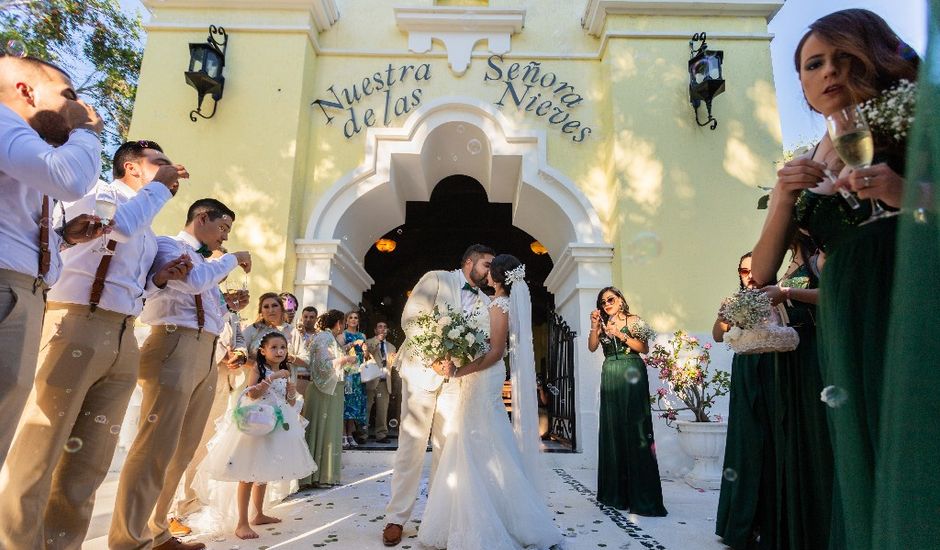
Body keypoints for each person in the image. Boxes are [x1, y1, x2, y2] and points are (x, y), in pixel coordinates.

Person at [749, 10, 918, 549]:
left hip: (910, 300)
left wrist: (904, 193)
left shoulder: (913, 121)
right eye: (813, 64)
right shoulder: (811, 157)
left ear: (873, 54)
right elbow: (761, 273)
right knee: (860, 460)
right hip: (846, 322)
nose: (829, 72)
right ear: (800, 81)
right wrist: (782, 197)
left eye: (842, 57)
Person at [0, 140, 190, 549]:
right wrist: (161, 187)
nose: (169, 167)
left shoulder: (150, 231)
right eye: (158, 161)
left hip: (123, 335)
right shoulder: (98, 193)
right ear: (131, 166)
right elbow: (117, 226)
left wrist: (159, 280)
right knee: (40, 450)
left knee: (89, 461)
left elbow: (139, 291)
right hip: (74, 324)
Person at [109, 199, 252, 550]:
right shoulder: (168, 245)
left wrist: (227, 307)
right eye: (223, 228)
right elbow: (192, 283)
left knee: (184, 449)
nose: (225, 237)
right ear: (201, 218)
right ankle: (128, 539)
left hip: (204, 352)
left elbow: (203, 301)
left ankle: (156, 530)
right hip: (173, 344)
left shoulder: (207, 263)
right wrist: (233, 259)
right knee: (154, 446)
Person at [0, 54, 106, 466]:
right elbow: (68, 178)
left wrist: (62, 238)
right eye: (67, 95)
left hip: (22, 288)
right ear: (26, 90)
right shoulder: (5, 120)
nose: (77, 105)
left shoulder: (21, 142)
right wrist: (87, 132)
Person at [419, 254, 563, 549]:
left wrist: (460, 370)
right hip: (480, 374)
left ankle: (485, 519)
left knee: (477, 439)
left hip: (483, 375)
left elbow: (496, 351)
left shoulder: (499, 305)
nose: (486, 273)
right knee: (481, 439)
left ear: (497, 276)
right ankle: (490, 508)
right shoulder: (496, 302)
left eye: (490, 269)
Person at [382, 244, 494, 547]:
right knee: (411, 445)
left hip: (457, 380)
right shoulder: (436, 279)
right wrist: (433, 357)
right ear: (469, 261)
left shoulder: (485, 300)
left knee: (447, 448)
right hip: (421, 371)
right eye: (486, 265)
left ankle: (437, 517)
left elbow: (482, 341)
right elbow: (412, 319)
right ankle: (396, 517)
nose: (489, 272)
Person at [195, 331, 315, 540]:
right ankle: (241, 522)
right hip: (256, 423)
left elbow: (290, 403)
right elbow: (252, 393)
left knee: (264, 470)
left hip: (276, 424)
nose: (279, 351)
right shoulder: (259, 369)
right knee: (248, 473)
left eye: (283, 348)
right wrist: (273, 377)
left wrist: (291, 392)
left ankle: (258, 513)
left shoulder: (286, 371)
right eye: (274, 347)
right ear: (263, 351)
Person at [760, 233, 834, 549]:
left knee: (816, 436)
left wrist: (787, 291)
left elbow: (832, 293)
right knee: (794, 436)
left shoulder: (821, 253)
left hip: (816, 350)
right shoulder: (790, 262)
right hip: (791, 351)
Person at [170, 283, 251, 534]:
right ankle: (167, 511)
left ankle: (188, 502)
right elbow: (196, 333)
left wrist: (240, 354)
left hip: (220, 381)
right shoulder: (196, 297)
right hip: (197, 372)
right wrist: (221, 355)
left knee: (201, 442)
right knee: (180, 442)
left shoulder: (232, 314)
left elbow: (237, 339)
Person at [713, 253, 778, 549]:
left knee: (772, 442)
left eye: (754, 269)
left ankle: (771, 521)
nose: (749, 275)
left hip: (774, 368)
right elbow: (717, 335)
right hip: (745, 369)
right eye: (743, 270)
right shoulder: (734, 300)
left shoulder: (776, 295)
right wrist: (722, 317)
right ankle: (742, 523)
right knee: (745, 443)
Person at [587, 286, 667, 517]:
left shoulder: (633, 320)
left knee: (635, 429)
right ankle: (616, 493)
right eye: (603, 302)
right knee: (613, 430)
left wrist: (620, 334)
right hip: (610, 372)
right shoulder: (603, 323)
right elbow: (592, 347)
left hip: (631, 370)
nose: (607, 304)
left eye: (610, 299)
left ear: (621, 300)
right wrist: (596, 326)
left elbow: (643, 347)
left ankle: (641, 496)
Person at [301, 310, 358, 488]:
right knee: (323, 430)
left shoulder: (330, 339)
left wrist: (345, 358)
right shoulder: (324, 338)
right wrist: (345, 359)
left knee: (330, 430)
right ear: (339, 323)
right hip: (324, 390)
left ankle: (324, 474)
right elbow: (323, 365)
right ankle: (317, 476)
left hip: (333, 389)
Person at [365, 321, 397, 443]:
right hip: (371, 380)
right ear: (375, 330)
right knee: (366, 408)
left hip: (385, 381)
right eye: (380, 326)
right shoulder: (368, 342)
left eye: (385, 327)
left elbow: (393, 365)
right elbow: (369, 352)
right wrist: (377, 339)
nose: (382, 329)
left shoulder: (392, 347)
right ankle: (363, 434)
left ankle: (381, 434)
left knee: (382, 410)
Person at [342, 310, 368, 448]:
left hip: (358, 374)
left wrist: (365, 349)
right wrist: (353, 344)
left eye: (355, 318)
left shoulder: (362, 335)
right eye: (350, 317)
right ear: (346, 320)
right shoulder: (343, 334)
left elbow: (365, 356)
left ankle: (351, 434)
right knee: (346, 403)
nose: (353, 320)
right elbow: (340, 350)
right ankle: (343, 434)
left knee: (355, 405)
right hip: (347, 373)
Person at [242, 293, 295, 358]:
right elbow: (240, 355)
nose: (271, 310)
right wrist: (257, 365)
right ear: (261, 311)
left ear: (281, 308)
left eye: (274, 305)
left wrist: (289, 359)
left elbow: (305, 359)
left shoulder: (292, 331)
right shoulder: (252, 330)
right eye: (266, 307)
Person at [290, 305, 319, 398]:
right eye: (305, 317)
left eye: (311, 317)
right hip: (297, 377)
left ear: (316, 319)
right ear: (301, 317)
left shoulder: (320, 335)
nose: (308, 319)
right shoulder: (294, 333)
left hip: (314, 380)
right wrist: (301, 335)